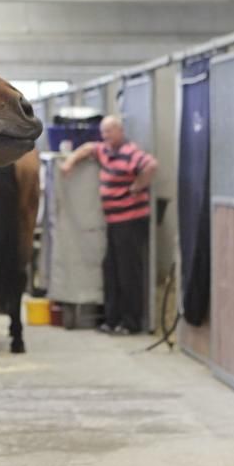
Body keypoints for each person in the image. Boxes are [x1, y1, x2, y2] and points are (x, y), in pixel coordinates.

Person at [60, 115, 158, 335]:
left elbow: (151, 165)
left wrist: (137, 187)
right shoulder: (105, 151)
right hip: (114, 222)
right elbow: (87, 148)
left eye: (109, 132)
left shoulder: (130, 152)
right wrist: (70, 162)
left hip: (130, 221)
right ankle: (112, 320)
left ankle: (130, 322)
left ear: (120, 132)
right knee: (111, 270)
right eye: (103, 133)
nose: (105, 136)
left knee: (128, 273)